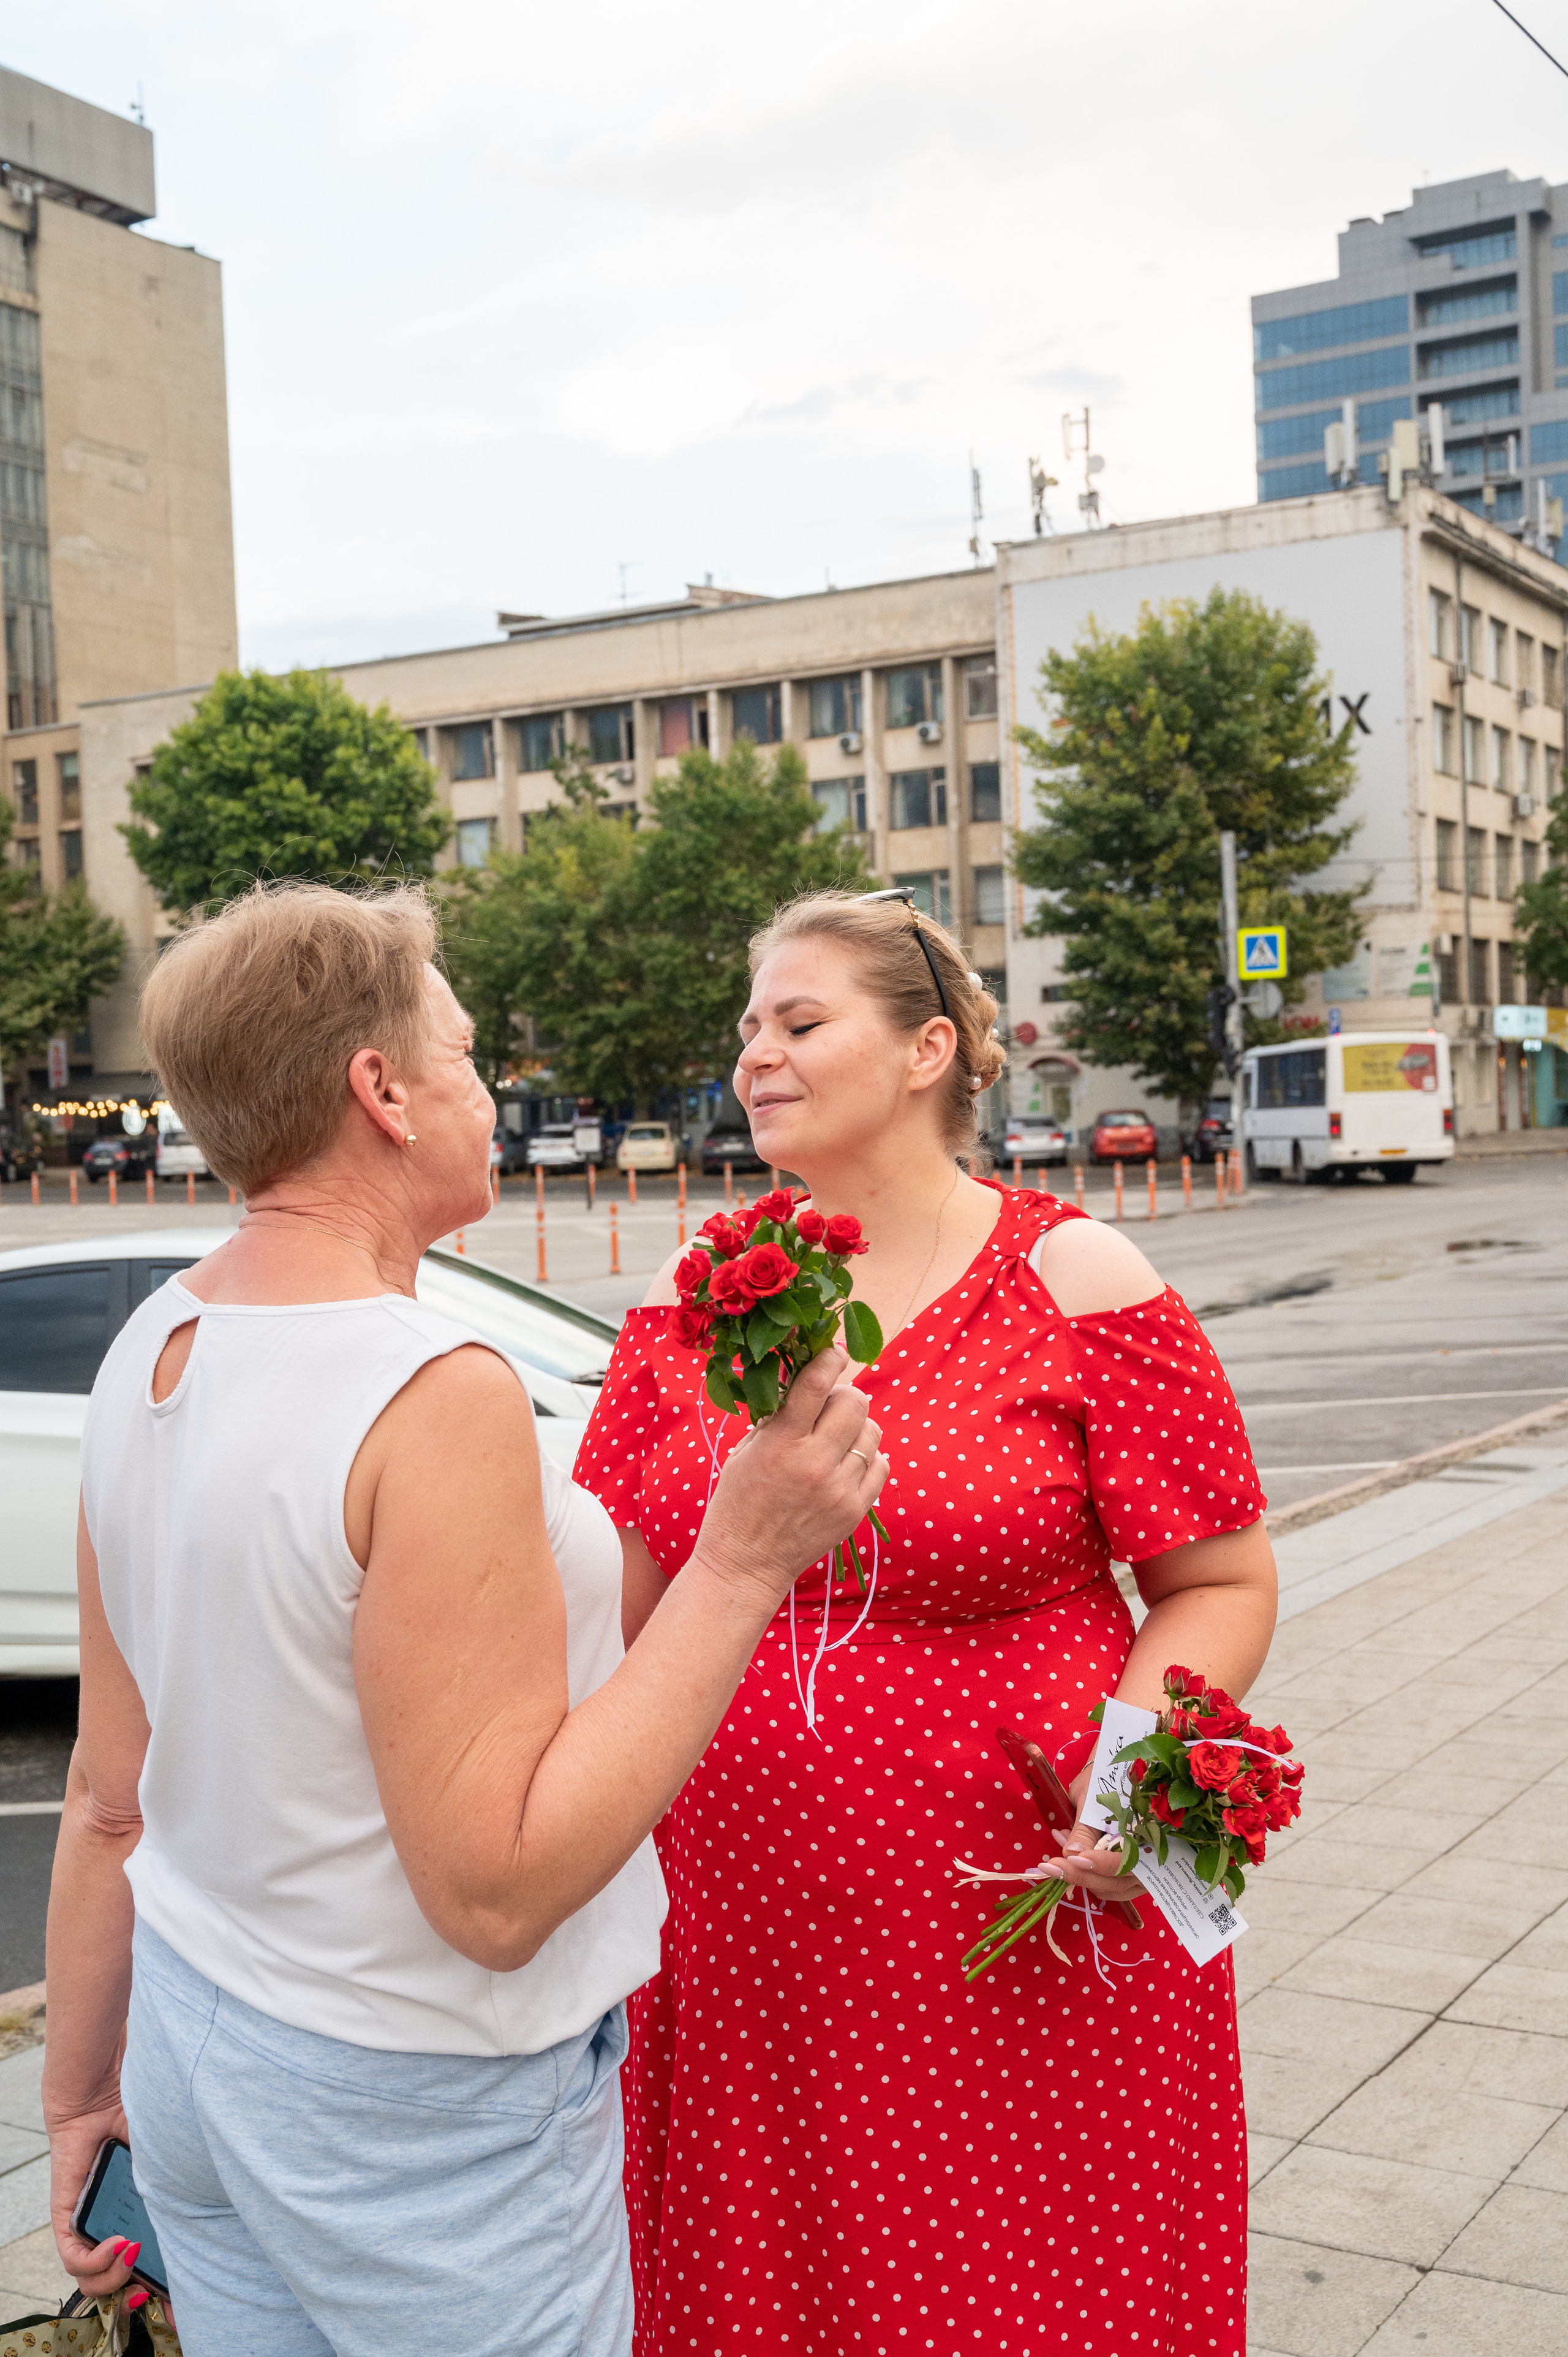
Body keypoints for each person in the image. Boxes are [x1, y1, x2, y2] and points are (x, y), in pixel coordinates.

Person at [42, 881, 886, 2357]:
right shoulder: (430, 1391)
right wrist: (744, 1561)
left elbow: (111, 1795)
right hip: (410, 2111)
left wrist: (79, 2094)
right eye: (465, 1052)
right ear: (380, 1091)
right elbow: (494, 1895)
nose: (485, 1092)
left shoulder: (152, 1343)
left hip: (195, 2041)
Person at [575, 887, 1277, 2357]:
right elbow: (624, 1611)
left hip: (1014, 1920)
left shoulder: (1071, 1277)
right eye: (748, 1028)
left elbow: (1216, 1579)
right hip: (747, 1928)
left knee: (1025, 2283)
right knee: (773, 2277)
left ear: (925, 1051)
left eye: (799, 1020)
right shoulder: (688, 1299)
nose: (755, 1053)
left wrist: (1140, 1787)